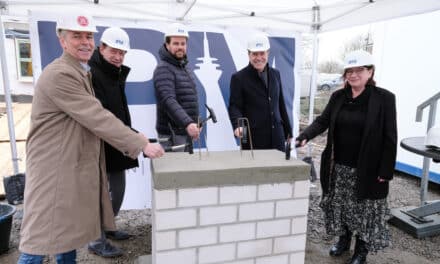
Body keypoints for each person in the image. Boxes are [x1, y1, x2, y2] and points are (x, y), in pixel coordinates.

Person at [18, 13, 164, 263]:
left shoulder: (78, 71)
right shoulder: (60, 75)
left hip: (67, 165)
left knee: (67, 235)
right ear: (62, 41)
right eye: (77, 36)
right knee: (38, 243)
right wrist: (141, 144)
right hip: (53, 170)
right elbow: (96, 116)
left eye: (88, 36)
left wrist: (134, 135)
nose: (85, 41)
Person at [296, 50, 397, 264]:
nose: (353, 75)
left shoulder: (384, 99)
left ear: (370, 72)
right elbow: (322, 121)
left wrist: (386, 171)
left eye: (359, 70)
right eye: (349, 71)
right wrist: (304, 136)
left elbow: (390, 137)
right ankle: (343, 241)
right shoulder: (338, 97)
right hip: (339, 166)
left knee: (365, 211)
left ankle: (361, 250)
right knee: (341, 206)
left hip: (368, 168)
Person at [86, 27, 135, 257]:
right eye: (114, 51)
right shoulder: (93, 74)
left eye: (122, 53)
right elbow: (99, 116)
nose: (118, 57)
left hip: (117, 142)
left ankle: (107, 227)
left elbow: (118, 108)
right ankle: (96, 239)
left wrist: (129, 133)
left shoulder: (113, 72)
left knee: (117, 189)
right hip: (99, 145)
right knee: (102, 194)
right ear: (101, 48)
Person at [228, 34, 292, 151]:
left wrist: (288, 132)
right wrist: (238, 126)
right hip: (253, 139)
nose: (259, 58)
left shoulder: (275, 74)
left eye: (262, 53)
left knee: (279, 169)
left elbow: (281, 104)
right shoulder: (238, 78)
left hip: (277, 137)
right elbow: (235, 106)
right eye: (255, 54)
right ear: (249, 55)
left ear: (268, 53)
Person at [153, 23, 200, 151]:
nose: (180, 47)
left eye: (183, 44)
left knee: (186, 169)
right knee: (175, 170)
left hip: (184, 132)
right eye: (176, 43)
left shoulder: (184, 67)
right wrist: (188, 123)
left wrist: (194, 123)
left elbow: (188, 100)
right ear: (167, 45)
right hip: (172, 135)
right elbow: (168, 100)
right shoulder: (164, 68)